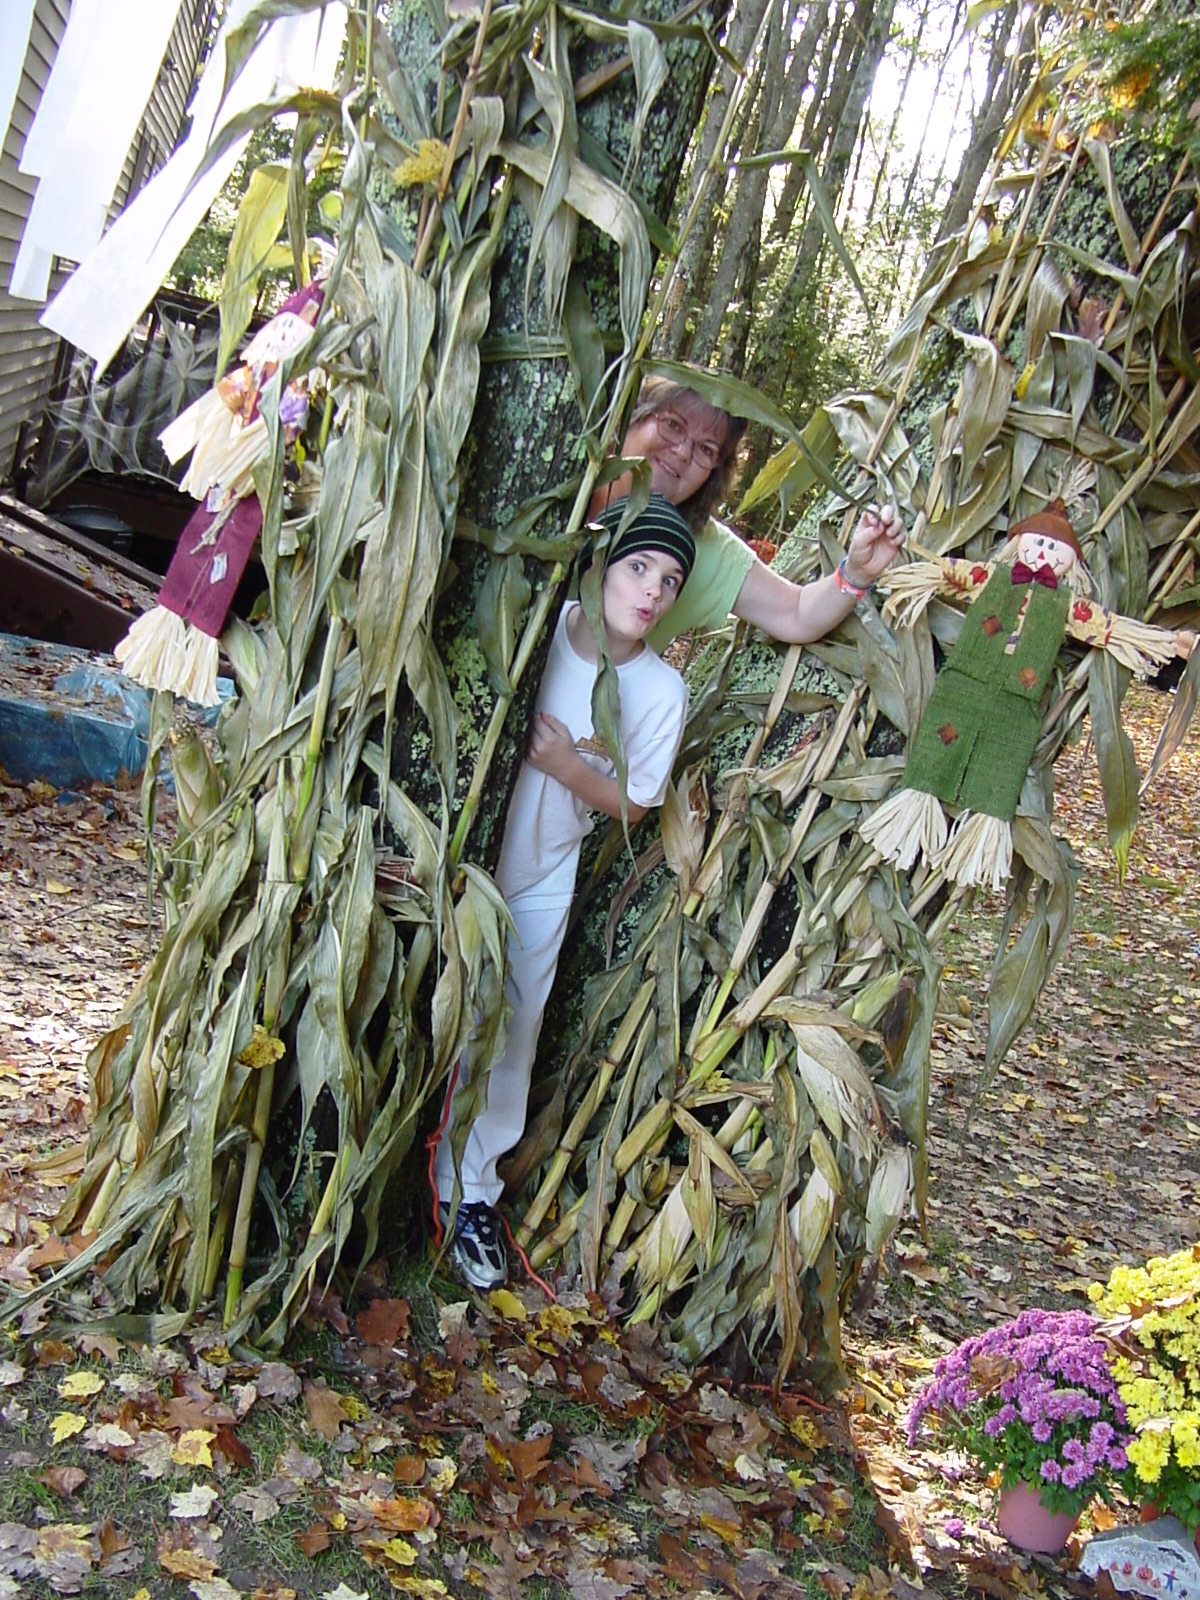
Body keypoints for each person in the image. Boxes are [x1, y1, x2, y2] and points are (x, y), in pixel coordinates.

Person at [434, 493, 695, 1288]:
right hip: (453, 858)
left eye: (670, 580)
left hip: (543, 871)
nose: (651, 590)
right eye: (639, 566)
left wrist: (571, 770)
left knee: (511, 1024)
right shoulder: (541, 623)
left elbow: (639, 802)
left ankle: (469, 1190)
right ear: (603, 564)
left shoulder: (659, 691)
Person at [591, 374, 906, 653]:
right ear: (635, 416)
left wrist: (857, 572)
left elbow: (795, 612)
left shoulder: (702, 547)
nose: (683, 452)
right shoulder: (569, 481)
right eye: (673, 425)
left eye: (706, 449)